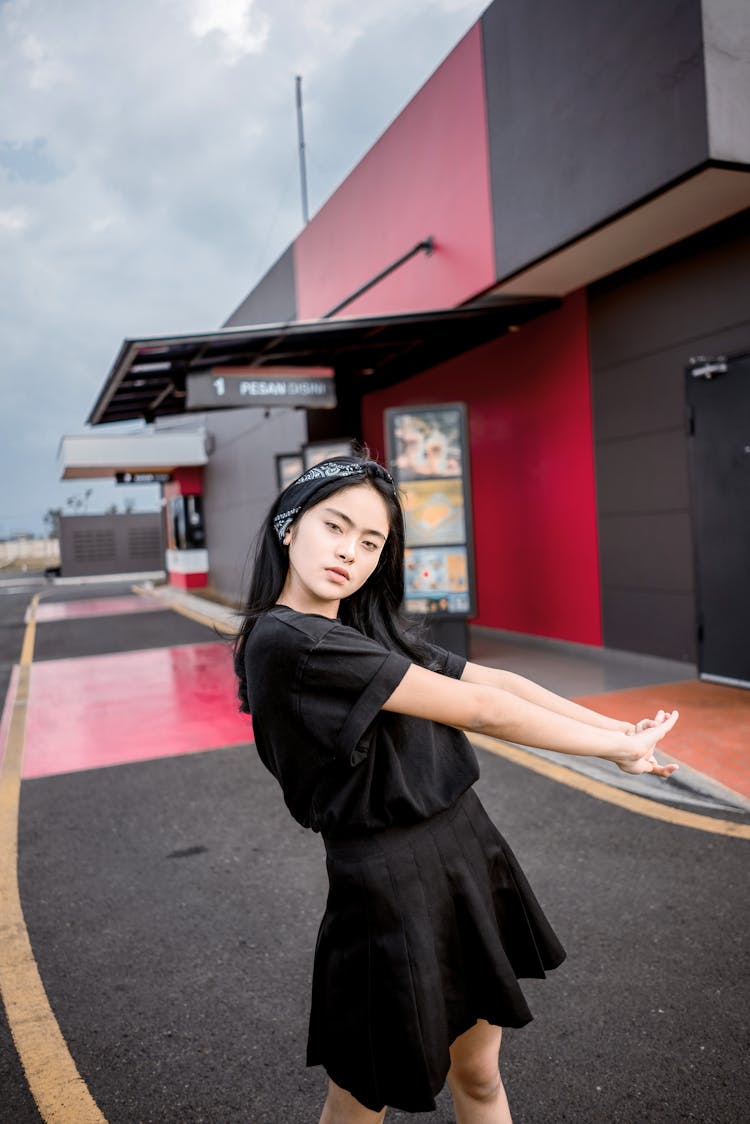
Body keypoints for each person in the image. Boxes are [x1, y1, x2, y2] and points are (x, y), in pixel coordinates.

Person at [233, 455, 679, 1124]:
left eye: (371, 541)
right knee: (361, 1098)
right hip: (385, 882)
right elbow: (481, 714)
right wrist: (614, 748)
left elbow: (494, 684)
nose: (349, 552)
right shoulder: (288, 642)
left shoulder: (361, 629)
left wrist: (620, 734)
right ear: (290, 527)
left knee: (479, 1075)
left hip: (464, 851)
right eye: (336, 526)